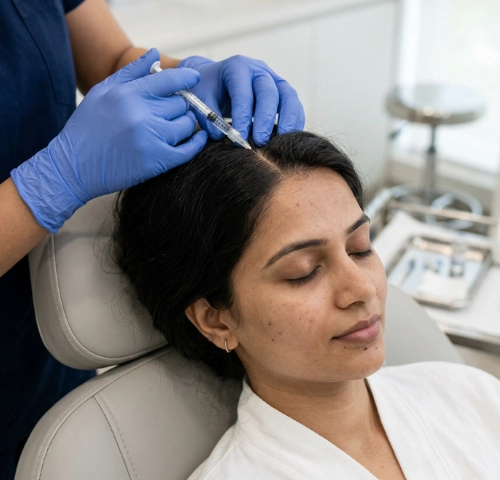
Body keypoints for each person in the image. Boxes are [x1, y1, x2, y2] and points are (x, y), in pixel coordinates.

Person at [0, 0, 305, 477]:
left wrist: (192, 77)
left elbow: (112, 56)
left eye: (359, 247)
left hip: (35, 351)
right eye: (303, 270)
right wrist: (51, 181)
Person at [113, 131, 500, 480]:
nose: (362, 288)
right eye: (304, 272)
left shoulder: (471, 396)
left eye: (360, 248)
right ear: (216, 320)